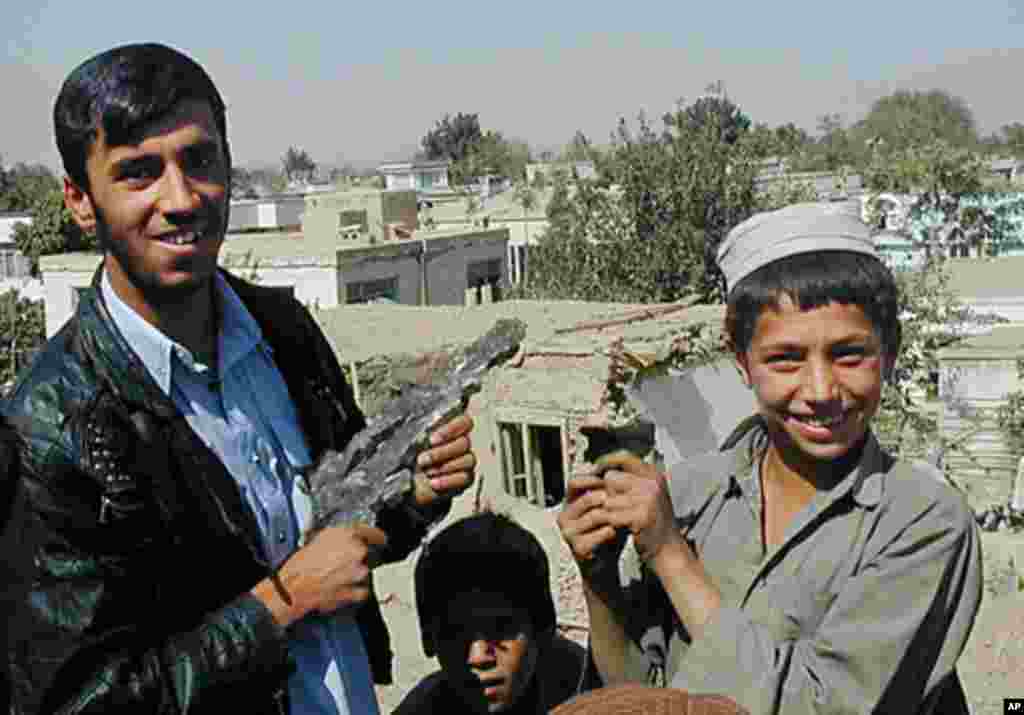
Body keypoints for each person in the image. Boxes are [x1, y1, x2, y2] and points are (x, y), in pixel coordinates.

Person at [1, 42, 477, 715]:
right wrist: (281, 602)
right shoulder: (49, 426)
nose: (181, 198)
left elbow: (339, 537)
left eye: (199, 159)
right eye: (138, 172)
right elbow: (78, 702)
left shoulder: (282, 332)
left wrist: (411, 495)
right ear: (80, 200)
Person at [558, 202, 983, 715]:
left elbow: (825, 707)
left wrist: (671, 554)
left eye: (849, 354)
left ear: (889, 352)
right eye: (785, 359)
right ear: (742, 362)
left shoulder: (922, 518)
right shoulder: (690, 494)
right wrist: (599, 579)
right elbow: (638, 691)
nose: (822, 390)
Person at [393, 511, 600, 715]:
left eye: (500, 629)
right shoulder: (422, 709)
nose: (479, 657)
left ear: (542, 628)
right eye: (455, 634)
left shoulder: (590, 695)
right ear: (429, 640)